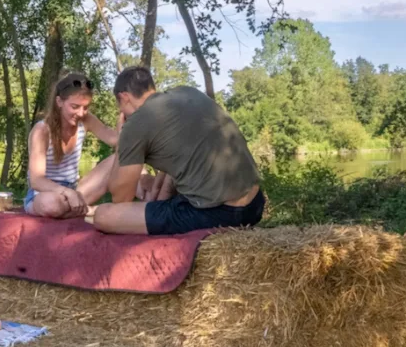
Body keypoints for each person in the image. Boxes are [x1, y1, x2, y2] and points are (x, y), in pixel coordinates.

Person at [93, 66, 264, 235]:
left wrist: (122, 139)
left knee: (103, 215)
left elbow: (121, 199)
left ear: (125, 97)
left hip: (221, 213)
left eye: (120, 108)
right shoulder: (187, 93)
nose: (122, 113)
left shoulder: (135, 123)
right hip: (255, 204)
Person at [24, 72, 119, 218]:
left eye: (86, 107)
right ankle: (89, 210)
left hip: (77, 191)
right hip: (44, 194)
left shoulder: (86, 120)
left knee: (120, 158)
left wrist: (124, 113)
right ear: (59, 102)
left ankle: (77, 210)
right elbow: (36, 181)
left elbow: (115, 140)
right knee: (52, 204)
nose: (81, 113)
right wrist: (67, 192)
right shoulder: (41, 131)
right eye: (75, 106)